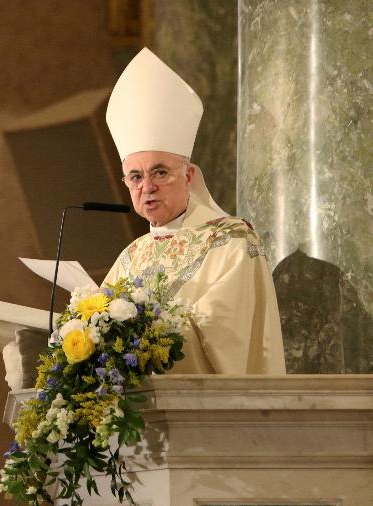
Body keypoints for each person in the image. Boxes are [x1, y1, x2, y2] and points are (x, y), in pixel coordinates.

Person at [102, 48, 285, 374]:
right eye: (136, 177)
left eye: (159, 172)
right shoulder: (131, 256)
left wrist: (140, 334)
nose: (147, 187)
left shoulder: (231, 241)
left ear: (188, 176)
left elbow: (225, 331)